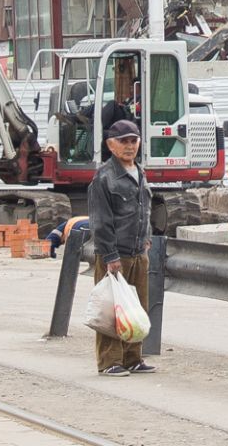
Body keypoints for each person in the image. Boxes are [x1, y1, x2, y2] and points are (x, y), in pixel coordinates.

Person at [86, 118, 154, 377]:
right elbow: (100, 221)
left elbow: (144, 210)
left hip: (138, 252)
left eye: (133, 140)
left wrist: (146, 240)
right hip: (115, 255)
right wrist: (110, 255)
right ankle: (109, 362)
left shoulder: (140, 171)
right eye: (123, 141)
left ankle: (132, 357)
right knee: (112, 310)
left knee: (136, 308)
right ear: (110, 145)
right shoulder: (104, 177)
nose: (129, 146)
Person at [99, 58, 142, 160]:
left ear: (139, 87)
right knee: (95, 107)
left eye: (133, 86)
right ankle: (79, 117)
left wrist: (124, 107)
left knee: (112, 104)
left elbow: (135, 112)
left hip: (128, 123)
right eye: (131, 86)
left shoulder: (141, 98)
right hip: (123, 118)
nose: (131, 88)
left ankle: (98, 126)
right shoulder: (131, 98)